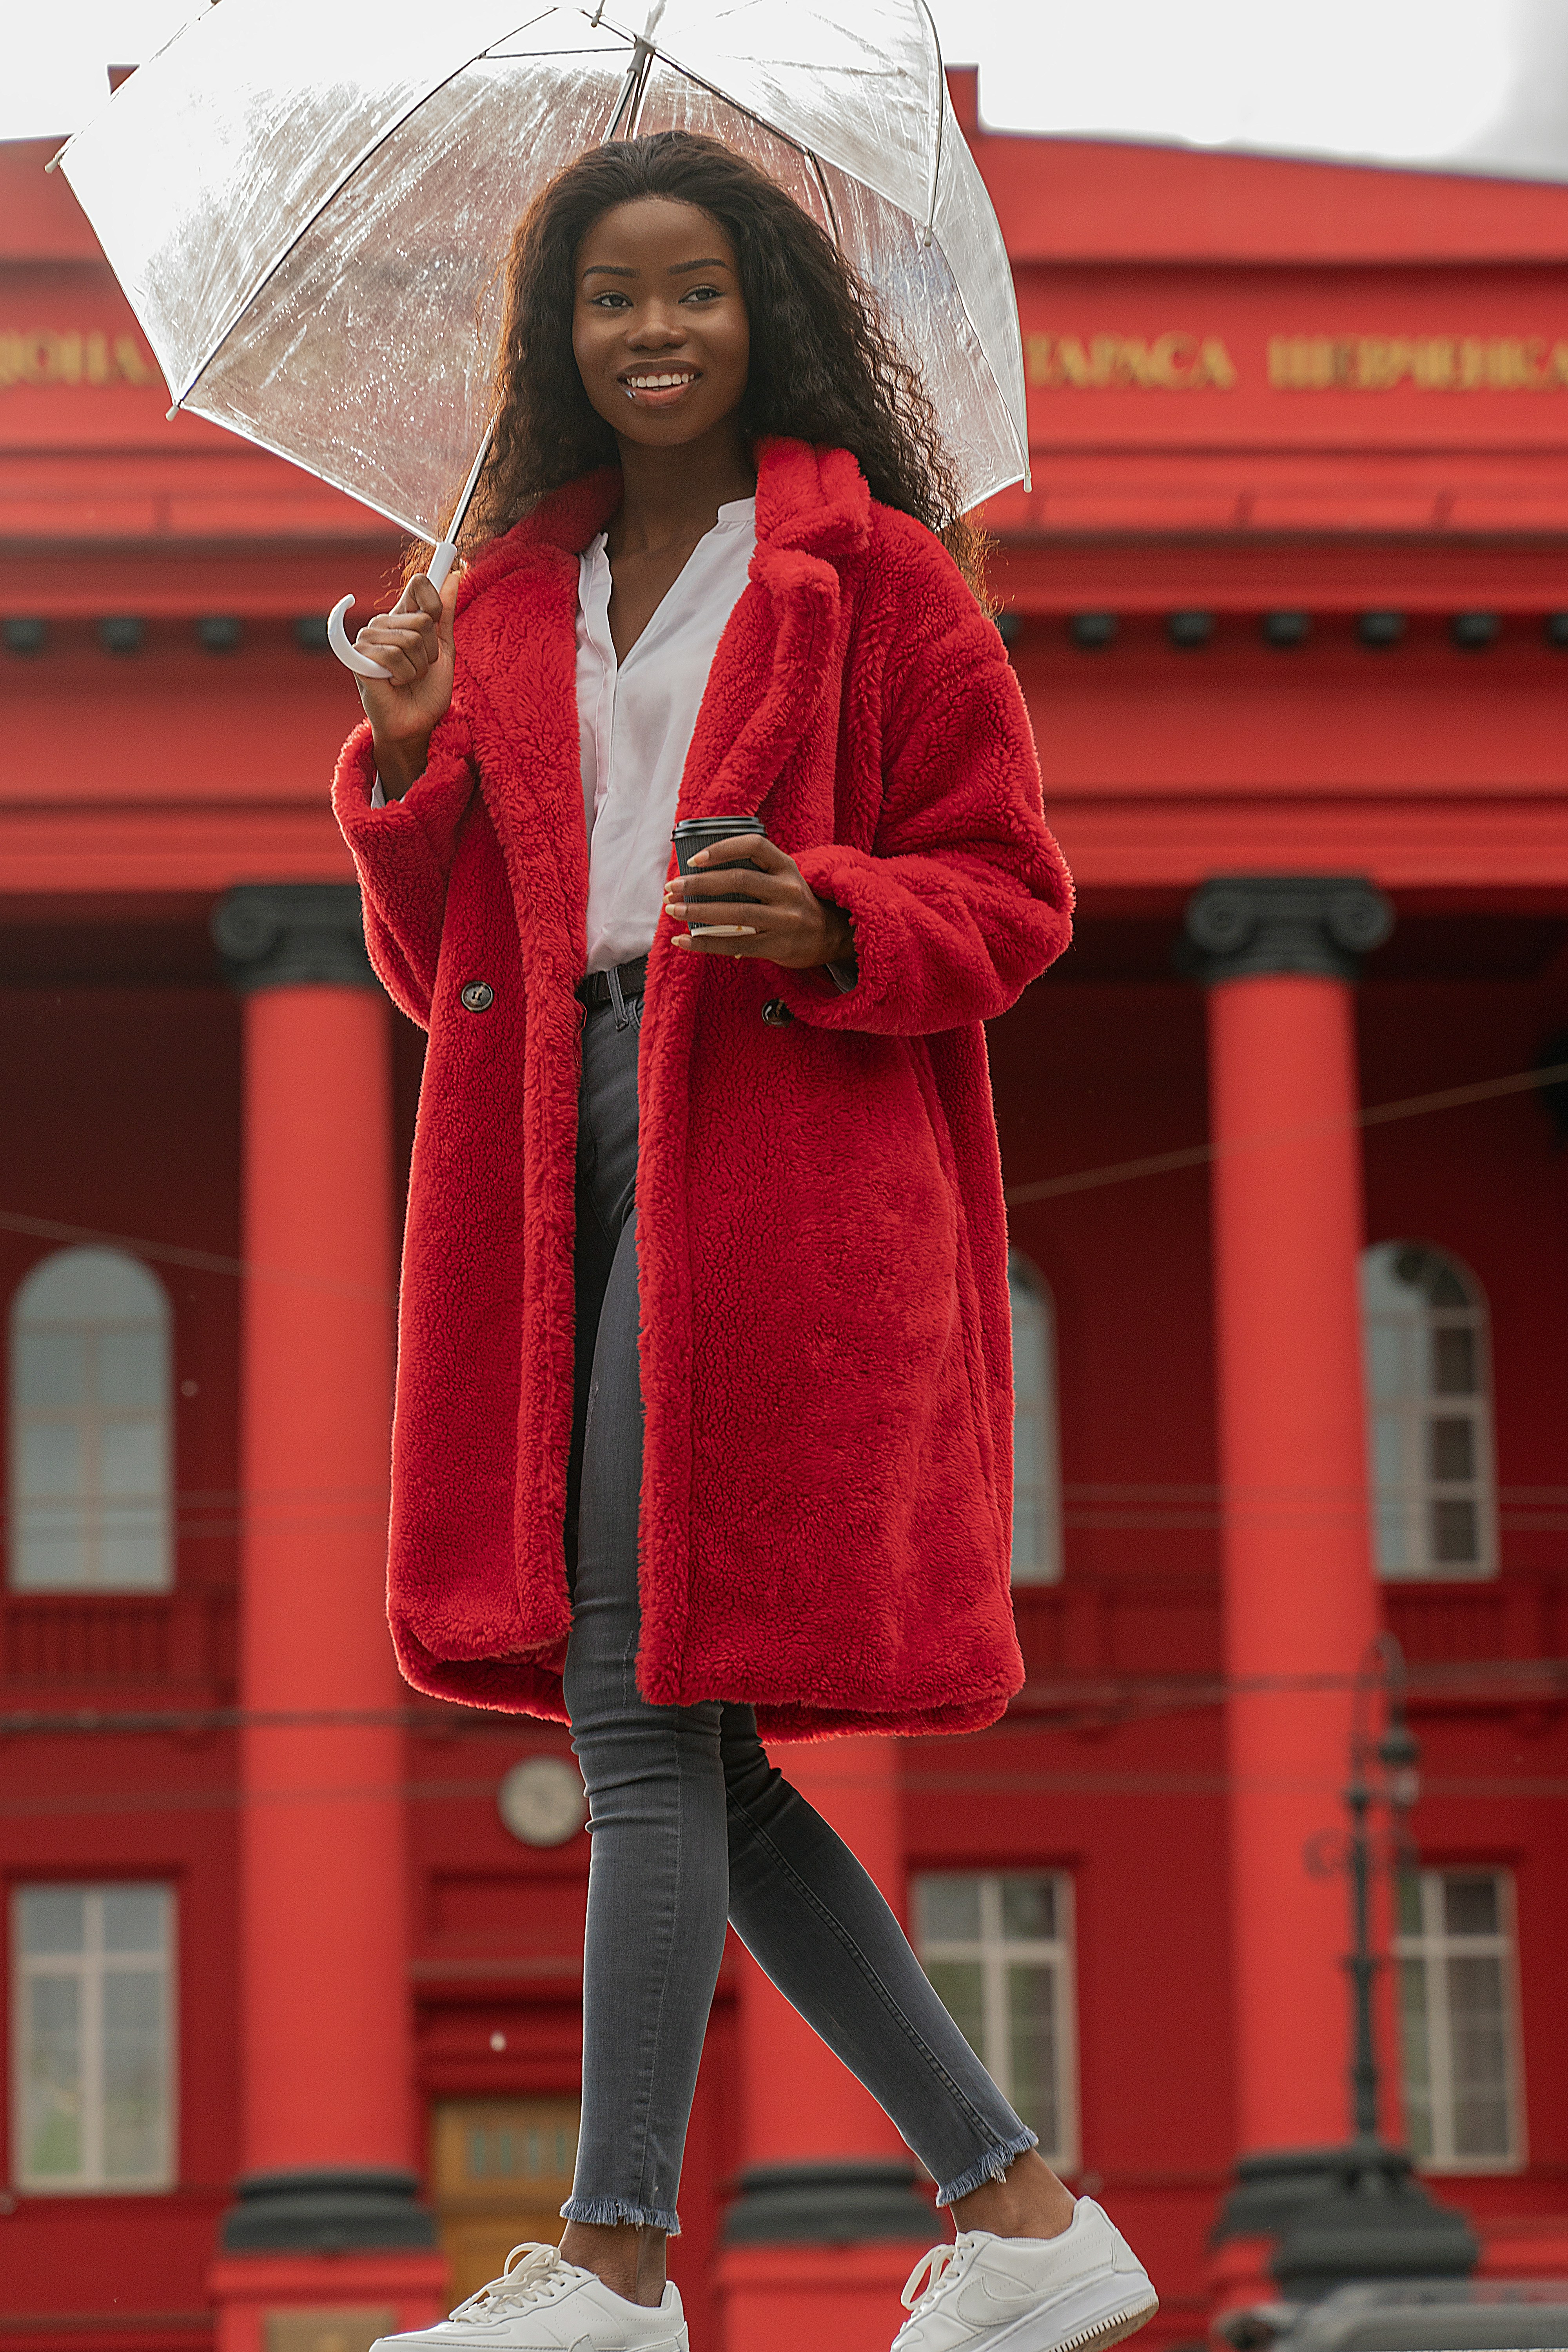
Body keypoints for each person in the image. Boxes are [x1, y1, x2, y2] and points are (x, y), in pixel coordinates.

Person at [333, 130, 1156, 2352]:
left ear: (762, 306)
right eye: (614, 297)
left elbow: (1010, 892)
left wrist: (831, 913)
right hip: (549, 1143)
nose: (655, 329)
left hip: (774, 1150)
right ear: (561, 335)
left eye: (694, 288)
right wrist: (409, 769)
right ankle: (1021, 2212)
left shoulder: (880, 581)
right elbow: (450, 973)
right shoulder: (506, 597)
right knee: (695, 1736)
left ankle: (613, 2261)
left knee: (634, 1712)